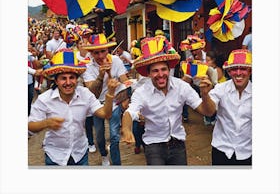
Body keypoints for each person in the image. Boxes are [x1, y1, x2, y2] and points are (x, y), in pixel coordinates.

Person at [121, 36, 216, 165]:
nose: (160, 74)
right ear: (148, 74)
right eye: (155, 71)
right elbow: (129, 113)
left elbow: (208, 112)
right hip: (154, 145)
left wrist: (205, 94)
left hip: (178, 144)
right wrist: (126, 130)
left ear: (169, 70)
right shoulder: (141, 92)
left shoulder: (181, 86)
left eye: (163, 69)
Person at [28, 49, 120, 166]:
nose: (68, 82)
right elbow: (30, 127)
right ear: (56, 80)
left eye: (72, 77)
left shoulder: (85, 94)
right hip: (55, 156)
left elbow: (105, 114)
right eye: (63, 78)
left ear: (77, 79)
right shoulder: (45, 99)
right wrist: (46, 123)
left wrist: (110, 93)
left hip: (80, 154)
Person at [82, 33, 129, 166]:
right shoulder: (87, 67)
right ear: (91, 53)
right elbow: (92, 92)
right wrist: (101, 75)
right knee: (100, 136)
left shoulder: (116, 60)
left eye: (103, 51)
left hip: (115, 100)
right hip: (97, 104)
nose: (101, 56)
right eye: (96, 53)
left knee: (114, 136)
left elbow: (124, 80)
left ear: (107, 50)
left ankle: (117, 164)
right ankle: (103, 154)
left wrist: (126, 96)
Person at [201, 49, 252, 165]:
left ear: (250, 71)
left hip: (247, 152)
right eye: (234, 69)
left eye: (243, 68)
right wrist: (204, 95)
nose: (238, 73)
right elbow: (209, 112)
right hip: (221, 149)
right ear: (229, 72)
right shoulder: (221, 89)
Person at [179, 35, 218, 125]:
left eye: (196, 50)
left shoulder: (208, 58)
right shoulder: (190, 60)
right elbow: (187, 78)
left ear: (201, 48)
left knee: (211, 106)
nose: (193, 52)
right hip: (196, 86)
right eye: (192, 50)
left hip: (210, 86)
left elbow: (214, 74)